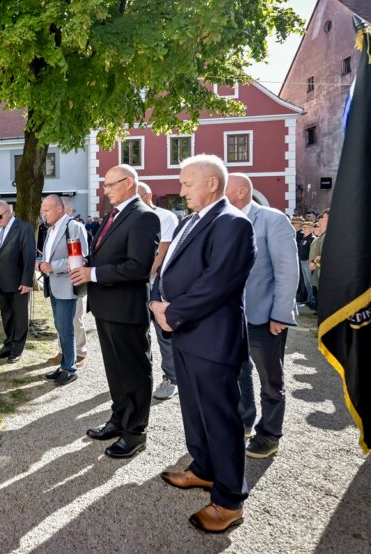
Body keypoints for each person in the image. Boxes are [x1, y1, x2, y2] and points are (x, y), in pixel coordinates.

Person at [151, 155, 256, 534]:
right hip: (185, 335)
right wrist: (155, 302)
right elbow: (164, 267)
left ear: (212, 184)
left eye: (187, 184)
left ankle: (229, 501)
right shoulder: (190, 221)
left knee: (221, 419)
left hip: (211, 339)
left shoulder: (233, 223)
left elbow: (217, 283)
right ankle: (204, 469)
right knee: (194, 411)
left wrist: (172, 313)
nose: (180, 191)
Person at [70, 165, 159, 458]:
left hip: (126, 307)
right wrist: (86, 263)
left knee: (133, 371)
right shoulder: (113, 215)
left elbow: (138, 267)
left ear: (129, 183)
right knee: (115, 371)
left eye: (110, 185)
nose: (104, 190)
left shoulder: (144, 216)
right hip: (107, 306)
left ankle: (135, 433)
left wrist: (92, 273)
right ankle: (119, 419)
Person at [225, 174, 299, 458]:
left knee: (271, 377)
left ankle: (270, 433)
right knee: (239, 370)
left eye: (225, 188)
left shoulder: (272, 219)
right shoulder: (226, 221)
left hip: (265, 316)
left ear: (242, 191)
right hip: (234, 316)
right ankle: (244, 421)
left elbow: (287, 272)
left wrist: (280, 314)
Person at [37, 195, 88, 386]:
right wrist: (42, 264)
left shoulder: (73, 226)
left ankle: (70, 368)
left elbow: (80, 258)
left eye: (47, 210)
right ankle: (65, 365)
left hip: (67, 285)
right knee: (60, 327)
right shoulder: (51, 229)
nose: (44, 214)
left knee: (66, 328)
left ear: (59, 209)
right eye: (43, 210)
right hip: (55, 286)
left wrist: (53, 267)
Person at [137, 182, 181, 400]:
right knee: (140, 333)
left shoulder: (165, 217)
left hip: (158, 285)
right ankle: (143, 375)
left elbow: (161, 255)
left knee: (163, 333)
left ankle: (171, 378)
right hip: (138, 285)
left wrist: (139, 274)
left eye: (138, 197)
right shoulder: (134, 218)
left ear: (149, 196)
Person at [0, 200, 36, 363]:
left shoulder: (24, 228)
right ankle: (8, 344)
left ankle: (17, 349)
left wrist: (27, 281)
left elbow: (29, 256)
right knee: (6, 316)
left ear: (9, 212)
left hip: (18, 282)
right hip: (0, 282)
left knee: (20, 317)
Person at [308, 209, 328, 307]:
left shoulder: (330, 235)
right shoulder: (323, 235)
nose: (321, 221)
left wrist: (319, 258)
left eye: (324, 219)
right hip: (319, 268)